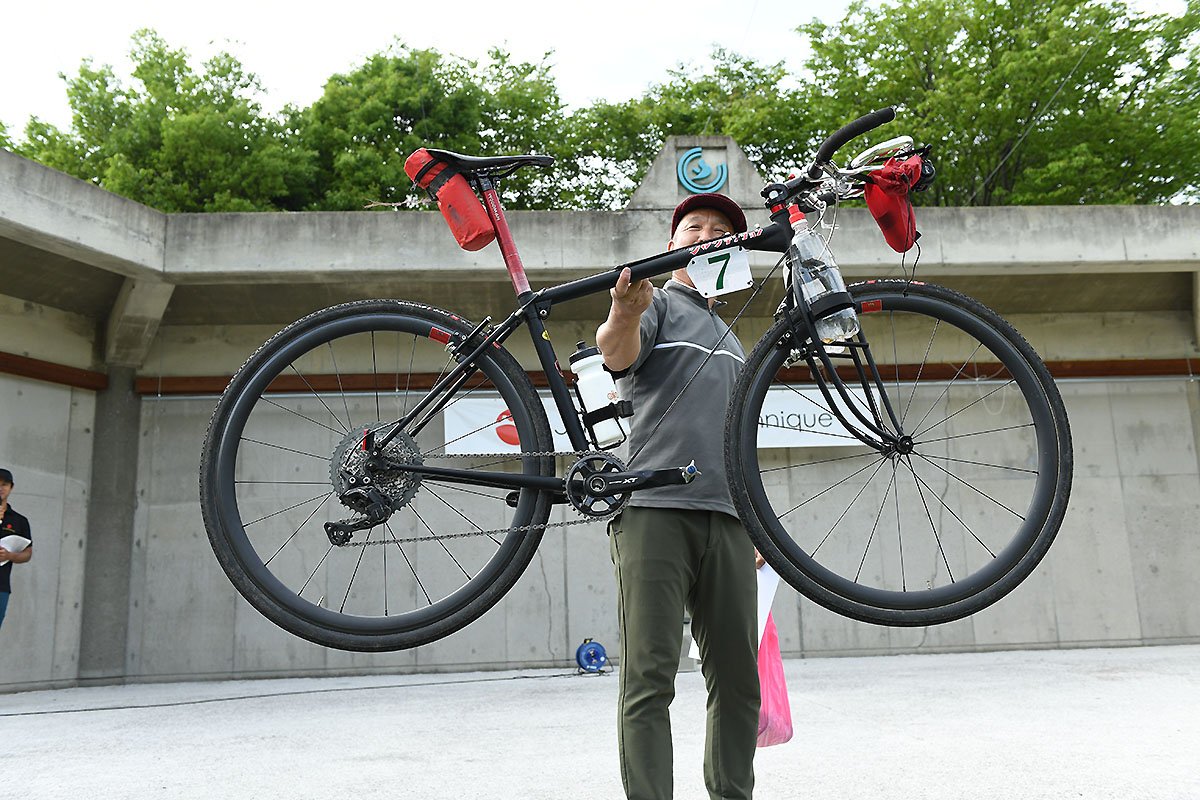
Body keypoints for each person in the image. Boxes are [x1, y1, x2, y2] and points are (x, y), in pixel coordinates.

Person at [596, 193, 760, 800]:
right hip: (654, 511)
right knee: (650, 676)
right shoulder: (659, 305)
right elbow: (617, 352)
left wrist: (758, 524)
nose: (707, 235)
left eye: (721, 230)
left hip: (730, 520)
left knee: (739, 680)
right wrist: (622, 311)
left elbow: (739, 439)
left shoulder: (736, 340)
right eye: (693, 227)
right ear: (672, 246)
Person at [0, 468, 33, 631]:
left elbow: (27, 553)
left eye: (4, 484)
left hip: (1, 586)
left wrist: (10, 555)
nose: (1, 488)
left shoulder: (19, 521)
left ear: (11, 488)